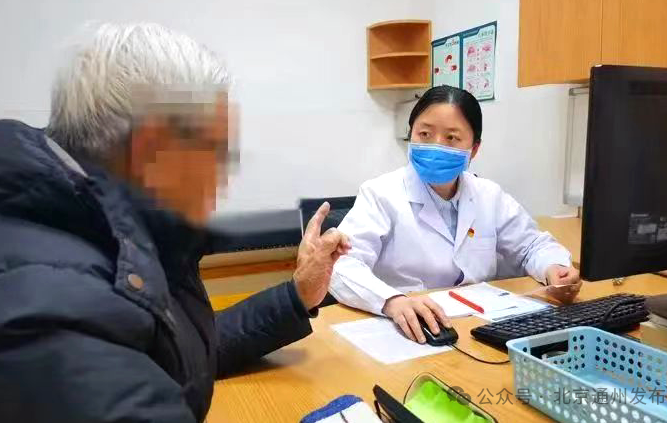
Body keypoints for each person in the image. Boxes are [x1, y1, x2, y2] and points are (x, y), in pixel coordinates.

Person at [0, 22, 350, 423]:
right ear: (153, 152)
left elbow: (175, 354)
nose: (223, 178)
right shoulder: (55, 320)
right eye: (215, 152)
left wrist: (296, 296)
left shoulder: (98, 224)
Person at [329, 86, 582, 344]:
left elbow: (532, 246)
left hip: (478, 328)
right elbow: (340, 266)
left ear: (474, 149)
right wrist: (392, 301)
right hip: (407, 331)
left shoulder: (488, 195)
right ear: (411, 135)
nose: (436, 146)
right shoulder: (381, 194)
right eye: (424, 134)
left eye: (451, 137)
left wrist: (554, 267)